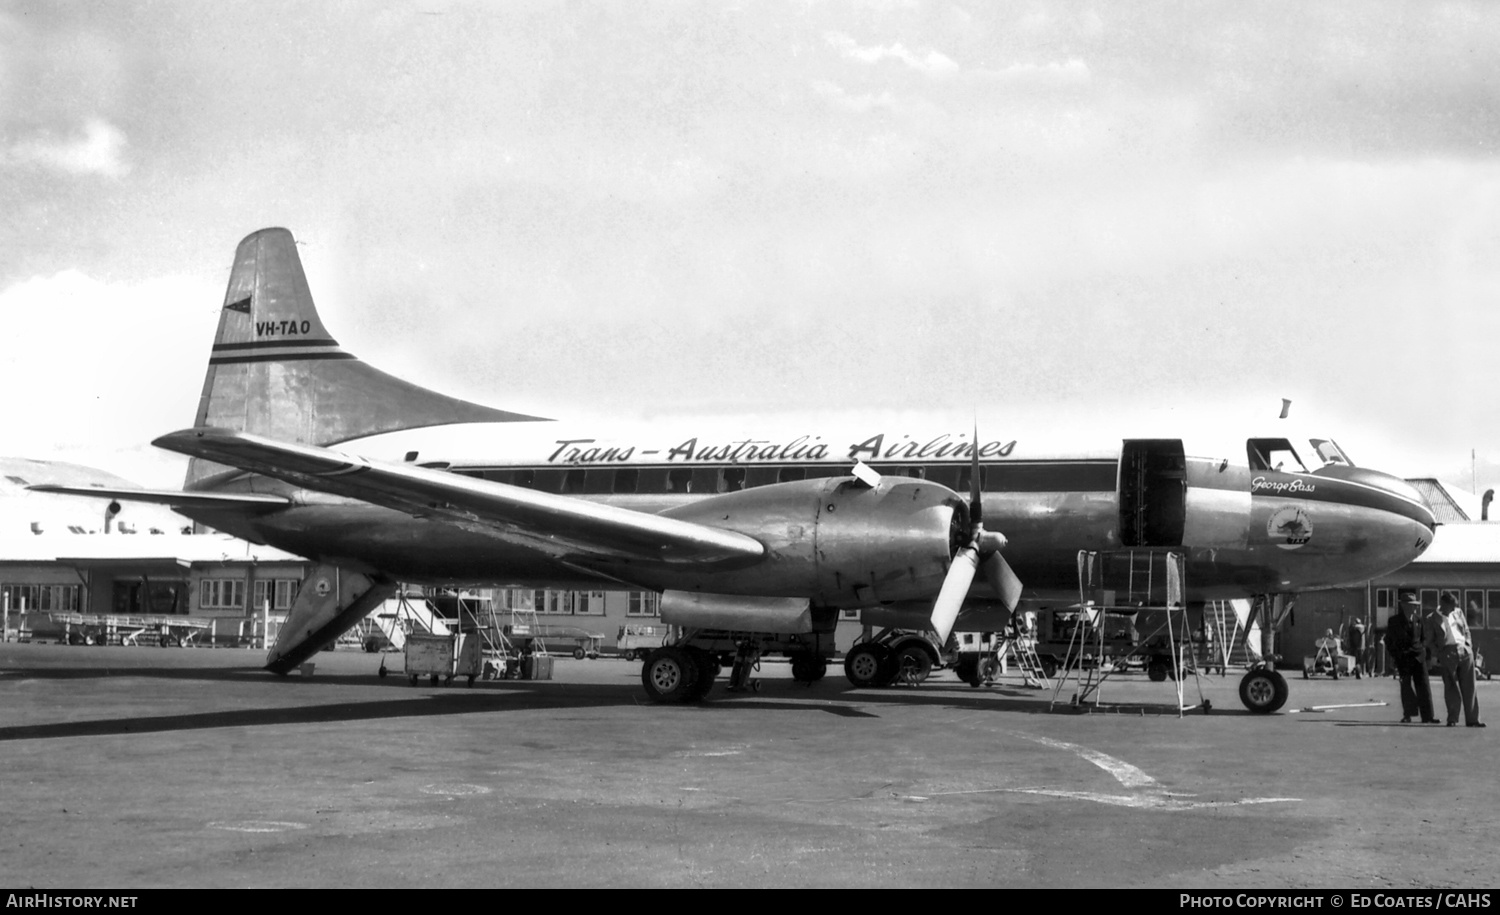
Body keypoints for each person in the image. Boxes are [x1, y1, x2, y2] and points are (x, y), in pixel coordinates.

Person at [1422, 593, 1484, 727]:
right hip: (1448, 652)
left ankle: (1473, 719)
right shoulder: (1432, 618)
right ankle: (1452, 718)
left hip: (1465, 650)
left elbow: (1466, 630)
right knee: (1451, 686)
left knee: (1470, 686)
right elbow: (1429, 640)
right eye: (1451, 606)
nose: (1454, 609)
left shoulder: (1458, 613)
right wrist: (1439, 654)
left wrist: (1468, 645)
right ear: (1443, 604)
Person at [1384, 594, 1435, 723]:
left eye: (1415, 606)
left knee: (1424, 686)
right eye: (1412, 605)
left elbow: (1423, 639)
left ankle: (1428, 716)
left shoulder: (1419, 620)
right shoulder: (1394, 621)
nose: (1414, 608)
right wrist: (1396, 655)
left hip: (1419, 657)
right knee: (1406, 687)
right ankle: (1408, 714)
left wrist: (1424, 653)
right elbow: (1388, 640)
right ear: (1404, 606)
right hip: (1404, 658)